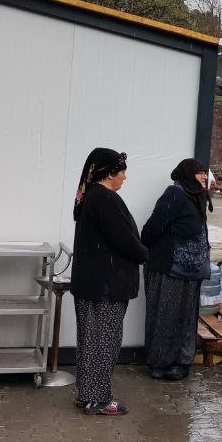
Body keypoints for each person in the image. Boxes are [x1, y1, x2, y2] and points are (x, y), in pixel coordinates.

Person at [71, 147, 148, 416]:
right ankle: (98, 399)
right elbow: (124, 240)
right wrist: (146, 254)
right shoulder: (104, 199)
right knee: (104, 343)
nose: (125, 177)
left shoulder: (91, 196)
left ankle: (87, 395)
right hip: (106, 287)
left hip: (92, 284)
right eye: (122, 171)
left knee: (89, 341)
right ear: (109, 173)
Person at [140, 159, 211, 381]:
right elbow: (151, 230)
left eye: (205, 173)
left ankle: (181, 362)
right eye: (200, 173)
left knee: (186, 318)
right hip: (169, 269)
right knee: (165, 315)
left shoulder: (196, 195)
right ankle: (159, 363)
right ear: (188, 174)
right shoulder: (174, 194)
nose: (204, 176)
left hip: (192, 272)